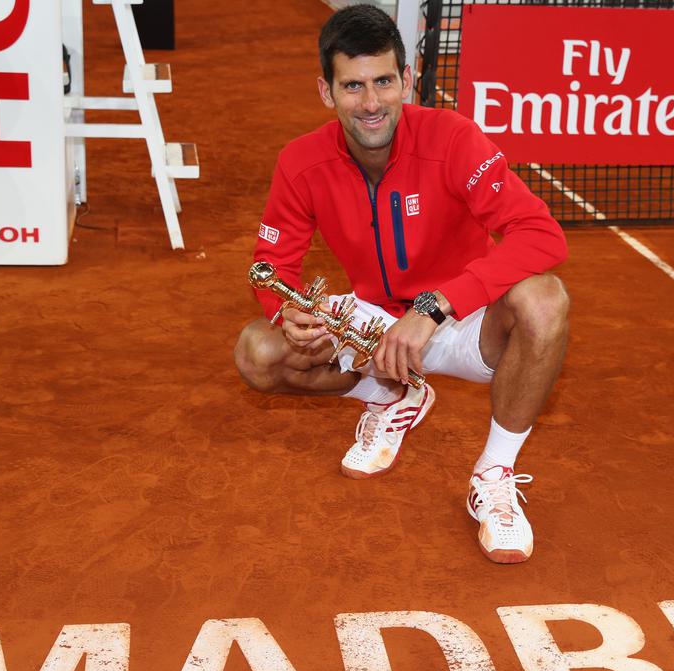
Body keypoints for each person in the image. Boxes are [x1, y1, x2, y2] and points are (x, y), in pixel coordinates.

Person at [235, 5, 569, 564]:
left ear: (407, 80)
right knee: (257, 353)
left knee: (545, 299)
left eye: (385, 82)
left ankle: (494, 475)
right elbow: (271, 263)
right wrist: (283, 312)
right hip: (369, 322)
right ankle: (391, 392)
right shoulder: (300, 162)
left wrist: (436, 306)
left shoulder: (455, 139)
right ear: (326, 91)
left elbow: (541, 234)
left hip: (460, 322)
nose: (371, 104)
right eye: (353, 86)